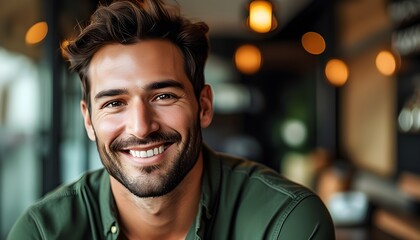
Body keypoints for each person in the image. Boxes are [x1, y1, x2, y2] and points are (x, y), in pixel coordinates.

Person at [7, 0, 335, 239]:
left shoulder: (285, 223)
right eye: (114, 103)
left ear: (204, 106)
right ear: (89, 121)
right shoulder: (42, 232)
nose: (141, 126)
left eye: (163, 96)